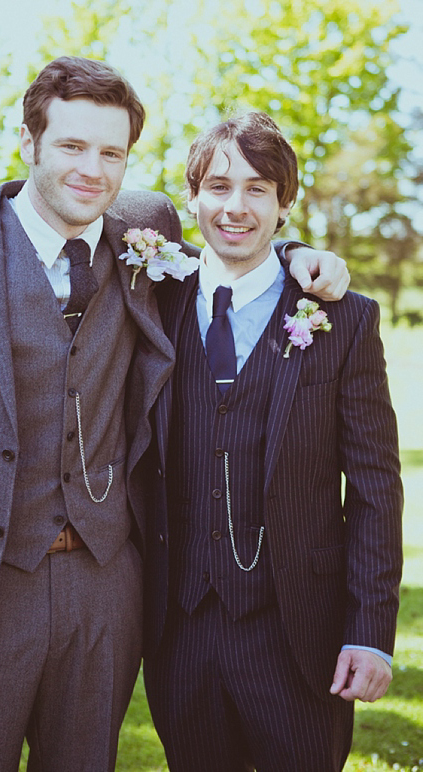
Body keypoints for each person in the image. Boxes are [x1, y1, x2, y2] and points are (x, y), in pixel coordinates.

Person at [0, 55, 347, 772]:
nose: (92, 169)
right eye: (72, 145)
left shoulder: (146, 228)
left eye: (112, 152)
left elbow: (233, 239)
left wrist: (296, 251)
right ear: (28, 142)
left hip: (106, 583)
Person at [139, 111, 403, 771]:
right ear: (191, 197)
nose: (236, 206)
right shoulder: (148, 302)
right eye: (219, 186)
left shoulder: (345, 319)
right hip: (179, 632)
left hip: (298, 635)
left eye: (259, 188)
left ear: (286, 205)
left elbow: (375, 488)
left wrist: (370, 635)